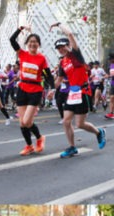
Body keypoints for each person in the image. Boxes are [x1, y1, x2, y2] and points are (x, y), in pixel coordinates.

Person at [47, 24, 106, 158]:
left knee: (80, 124)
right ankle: (72, 147)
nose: (61, 49)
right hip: (72, 94)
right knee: (66, 121)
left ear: (68, 45)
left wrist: (58, 25)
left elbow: (70, 34)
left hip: (83, 92)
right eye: (58, 48)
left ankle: (99, 132)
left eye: (63, 46)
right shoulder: (62, 63)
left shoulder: (76, 55)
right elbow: (59, 80)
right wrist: (51, 90)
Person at [10, 26, 53, 156]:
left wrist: (53, 89)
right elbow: (12, 39)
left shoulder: (42, 58)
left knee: (27, 121)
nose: (33, 43)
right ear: (27, 44)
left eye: (35, 42)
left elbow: (48, 75)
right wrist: (20, 28)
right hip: (22, 89)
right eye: (30, 41)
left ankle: (39, 138)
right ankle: (29, 146)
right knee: (22, 123)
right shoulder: (22, 54)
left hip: (35, 90)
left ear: (38, 44)